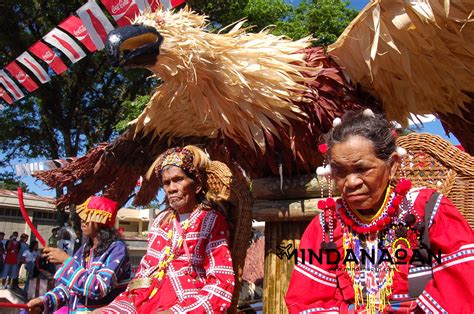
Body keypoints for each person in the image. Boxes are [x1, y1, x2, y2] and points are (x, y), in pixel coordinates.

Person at [285, 110, 474, 313]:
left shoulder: (428, 210)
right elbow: (307, 302)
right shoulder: (327, 225)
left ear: (392, 166)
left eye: (362, 169)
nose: (351, 182)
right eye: (339, 171)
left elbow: (463, 292)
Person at [96, 146, 235, 313]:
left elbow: (221, 283)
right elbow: (142, 278)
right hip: (146, 300)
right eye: (166, 183)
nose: (171, 188)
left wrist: (176, 312)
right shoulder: (161, 222)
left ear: (197, 184)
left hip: (187, 304)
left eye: (178, 179)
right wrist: (114, 309)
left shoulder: (212, 220)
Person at [27, 196, 132, 313]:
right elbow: (69, 289)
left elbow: (98, 287)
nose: (82, 220)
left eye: (88, 216)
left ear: (101, 221)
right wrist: (45, 301)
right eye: (82, 216)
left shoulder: (117, 249)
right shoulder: (83, 250)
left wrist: (66, 261)